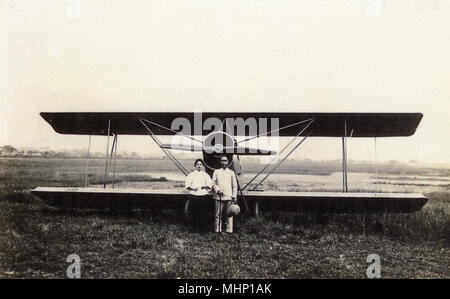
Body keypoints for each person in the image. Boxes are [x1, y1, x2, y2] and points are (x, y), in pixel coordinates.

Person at [212, 156, 237, 233]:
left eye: (225, 161)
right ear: (220, 162)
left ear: (228, 162)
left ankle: (229, 230)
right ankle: (218, 230)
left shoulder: (231, 172)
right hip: (219, 197)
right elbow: (213, 183)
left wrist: (234, 196)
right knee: (218, 214)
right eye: (222, 161)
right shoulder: (216, 172)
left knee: (229, 214)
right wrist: (217, 189)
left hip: (229, 197)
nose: (223, 162)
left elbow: (234, 185)